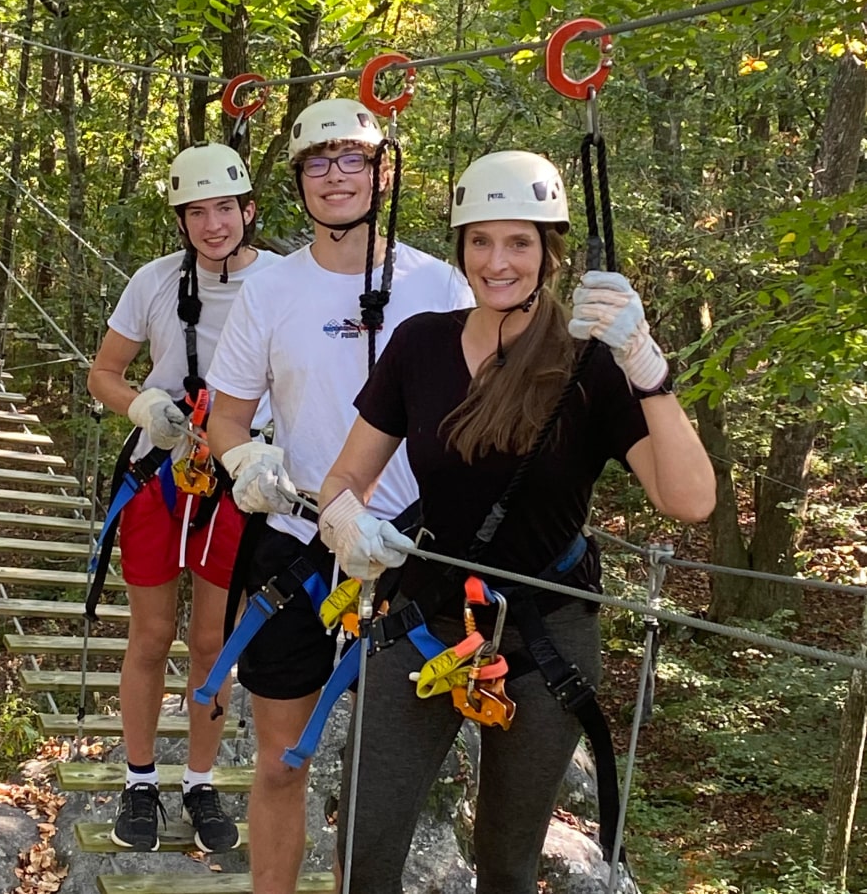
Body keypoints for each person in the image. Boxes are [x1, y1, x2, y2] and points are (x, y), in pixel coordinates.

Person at [318, 149, 716, 894]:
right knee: (363, 851)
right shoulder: (421, 344)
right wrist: (344, 518)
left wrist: (646, 365)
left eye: (519, 242)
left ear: (550, 251)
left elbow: (690, 500)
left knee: (507, 864)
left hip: (546, 631)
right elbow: (347, 475)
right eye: (480, 240)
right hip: (428, 614)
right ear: (461, 246)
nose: (496, 261)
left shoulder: (590, 362)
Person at [203, 97, 475, 894]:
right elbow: (226, 415)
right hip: (298, 543)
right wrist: (243, 463)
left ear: (381, 171)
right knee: (283, 763)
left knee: (381, 790)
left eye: (352, 158)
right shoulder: (271, 291)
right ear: (299, 182)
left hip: (411, 553)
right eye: (317, 162)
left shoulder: (443, 284)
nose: (334, 176)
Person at [87, 143, 281, 854]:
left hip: (241, 475)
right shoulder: (155, 281)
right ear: (182, 221)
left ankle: (200, 782)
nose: (212, 224)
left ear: (248, 210)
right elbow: (104, 372)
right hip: (160, 472)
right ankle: (140, 781)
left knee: (211, 641)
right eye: (195, 212)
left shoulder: (285, 282)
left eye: (224, 208)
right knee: (150, 634)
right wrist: (142, 406)